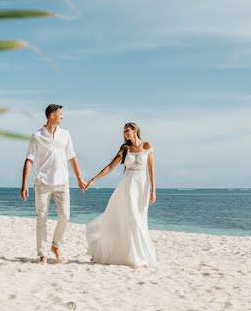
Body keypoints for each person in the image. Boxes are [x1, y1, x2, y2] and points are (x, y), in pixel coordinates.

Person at [83, 122, 157, 268]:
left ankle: (139, 254)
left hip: (142, 187)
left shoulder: (147, 146)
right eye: (124, 132)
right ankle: (134, 257)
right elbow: (110, 167)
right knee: (132, 218)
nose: (125, 134)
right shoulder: (125, 149)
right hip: (128, 186)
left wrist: (153, 190)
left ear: (135, 130)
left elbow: (151, 170)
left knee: (140, 219)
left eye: (128, 131)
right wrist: (92, 180)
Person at [20, 104, 87, 265]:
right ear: (52, 115)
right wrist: (24, 184)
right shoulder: (37, 136)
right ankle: (42, 253)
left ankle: (55, 246)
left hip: (62, 182)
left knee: (65, 216)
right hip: (43, 183)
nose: (62, 116)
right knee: (41, 218)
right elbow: (29, 160)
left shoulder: (65, 134)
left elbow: (72, 157)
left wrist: (79, 178)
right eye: (60, 114)